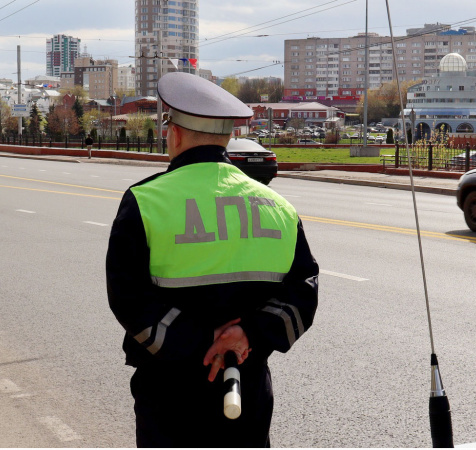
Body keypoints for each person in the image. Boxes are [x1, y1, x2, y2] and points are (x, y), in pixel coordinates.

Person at [106, 71, 319, 448]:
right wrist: (247, 335)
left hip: (169, 396)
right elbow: (303, 294)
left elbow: (128, 297)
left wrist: (202, 343)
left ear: (174, 134)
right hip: (247, 390)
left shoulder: (145, 200)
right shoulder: (279, 207)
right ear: (226, 137)